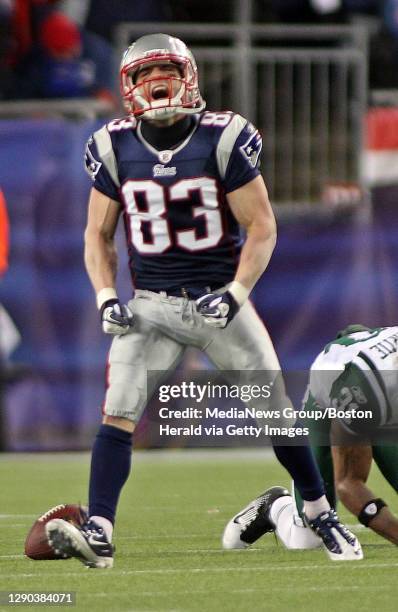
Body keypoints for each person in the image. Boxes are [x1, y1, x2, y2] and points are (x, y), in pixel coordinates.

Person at [45, 33, 362, 568]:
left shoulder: (223, 136)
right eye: (144, 74)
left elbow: (261, 227)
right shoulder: (112, 145)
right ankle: (98, 528)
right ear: (129, 86)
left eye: (165, 70)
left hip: (217, 300)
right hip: (149, 304)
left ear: (189, 76)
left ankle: (317, 509)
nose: (156, 82)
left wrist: (237, 292)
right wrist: (105, 296)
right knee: (119, 407)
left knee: (275, 412)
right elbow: (96, 235)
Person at [224, 324, 398, 550]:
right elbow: (349, 483)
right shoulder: (362, 393)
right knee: (307, 539)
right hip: (341, 384)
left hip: (377, 380)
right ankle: (276, 506)